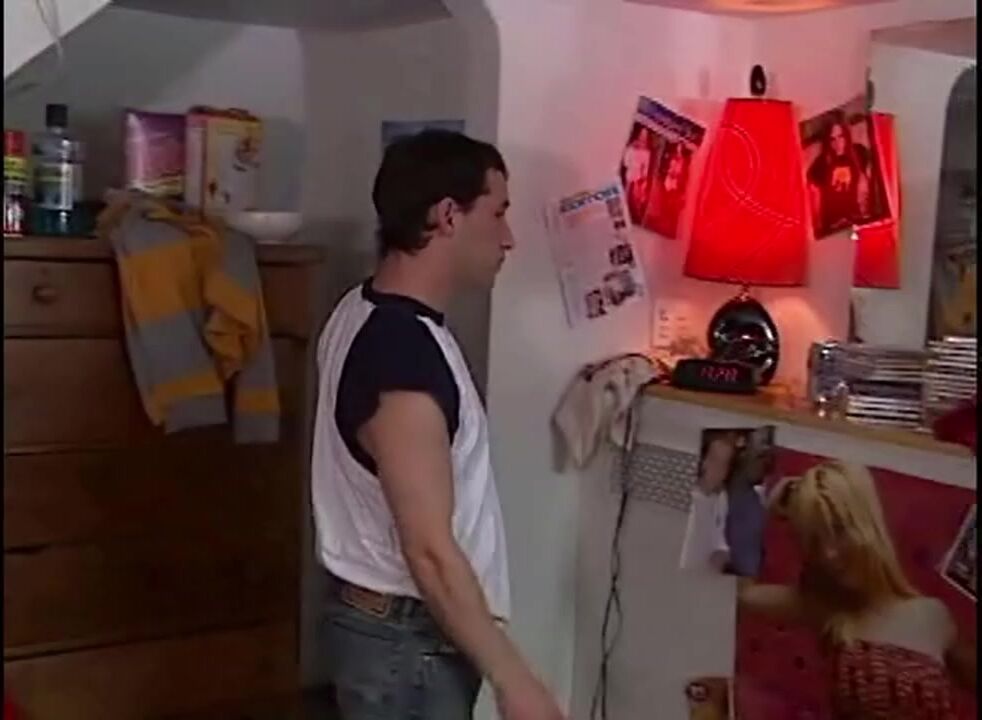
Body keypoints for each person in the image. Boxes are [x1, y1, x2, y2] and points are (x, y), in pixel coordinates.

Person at [311, 130, 564, 720]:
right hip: (408, 644)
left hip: (397, 636)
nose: (508, 237)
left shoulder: (366, 311)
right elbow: (426, 547)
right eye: (497, 213)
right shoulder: (401, 352)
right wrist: (513, 679)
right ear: (448, 216)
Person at [739, 461, 977, 720]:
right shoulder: (827, 610)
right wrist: (761, 508)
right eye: (815, 541)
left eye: (839, 530)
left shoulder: (933, 615)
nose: (828, 554)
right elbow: (741, 595)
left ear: (867, 525)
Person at [680, 432, 740, 572]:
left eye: (723, 464)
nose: (717, 470)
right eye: (714, 461)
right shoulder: (687, 494)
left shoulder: (723, 500)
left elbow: (721, 542)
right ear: (704, 462)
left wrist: (723, 555)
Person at [806, 114, 873, 236]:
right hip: (833, 226)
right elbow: (815, 201)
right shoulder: (820, 164)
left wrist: (866, 212)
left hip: (856, 220)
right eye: (832, 139)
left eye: (840, 137)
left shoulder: (859, 152)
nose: (837, 144)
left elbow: (867, 185)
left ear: (846, 136)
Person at [621, 125, 653, 223]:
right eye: (642, 134)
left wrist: (643, 179)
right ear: (639, 135)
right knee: (626, 194)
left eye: (645, 135)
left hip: (638, 177)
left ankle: (634, 216)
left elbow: (646, 167)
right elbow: (626, 161)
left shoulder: (647, 152)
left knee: (635, 199)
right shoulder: (632, 148)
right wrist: (630, 161)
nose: (643, 137)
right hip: (630, 173)